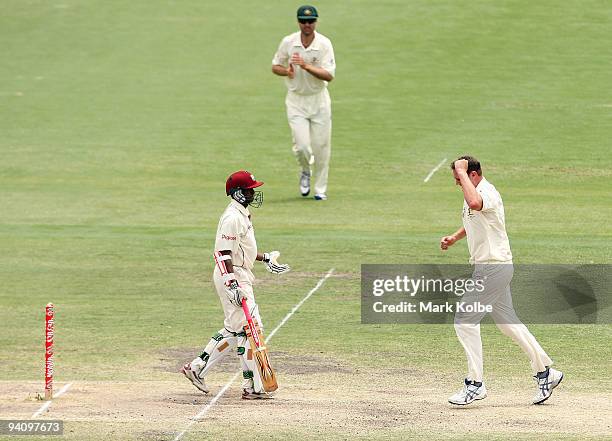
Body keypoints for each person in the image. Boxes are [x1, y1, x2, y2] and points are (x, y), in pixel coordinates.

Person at [440, 156, 563, 405]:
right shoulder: (477, 194)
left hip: (493, 268)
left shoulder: (486, 192)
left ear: (473, 174)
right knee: (508, 324)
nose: (457, 183)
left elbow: (475, 202)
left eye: (459, 178)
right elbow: (475, 218)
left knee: (464, 320)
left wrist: (461, 172)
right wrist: (455, 237)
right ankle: (546, 372)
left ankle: (475, 384)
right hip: (492, 268)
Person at [181, 170, 290, 400]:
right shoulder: (232, 218)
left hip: (239, 274)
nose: (253, 193)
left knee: (236, 329)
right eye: (249, 190)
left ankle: (197, 368)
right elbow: (222, 254)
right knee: (250, 329)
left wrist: (265, 258)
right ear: (238, 193)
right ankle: (253, 387)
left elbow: (242, 250)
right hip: (232, 276)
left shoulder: (242, 214)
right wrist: (232, 284)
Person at [272, 5, 335, 201]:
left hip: (319, 101)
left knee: (321, 148)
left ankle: (320, 190)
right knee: (302, 147)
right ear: (298, 22)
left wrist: (306, 66)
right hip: (296, 100)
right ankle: (305, 171)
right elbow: (275, 66)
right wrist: (287, 72)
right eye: (303, 21)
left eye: (310, 21)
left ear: (316, 22)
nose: (307, 25)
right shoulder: (288, 42)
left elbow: (329, 75)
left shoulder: (324, 44)